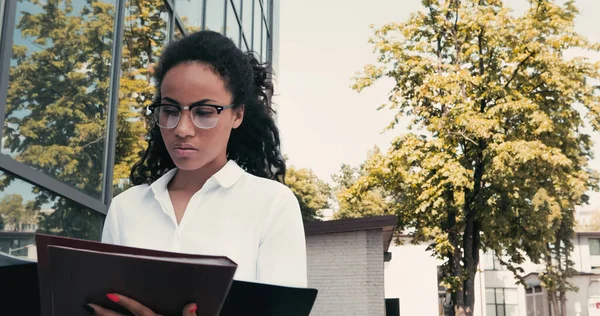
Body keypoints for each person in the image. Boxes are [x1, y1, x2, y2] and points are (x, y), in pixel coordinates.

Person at [85, 30, 307, 316]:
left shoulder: (272, 204)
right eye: (170, 109)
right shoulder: (126, 207)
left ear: (237, 114)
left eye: (204, 111)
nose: (182, 129)